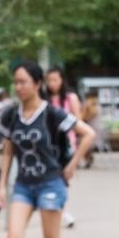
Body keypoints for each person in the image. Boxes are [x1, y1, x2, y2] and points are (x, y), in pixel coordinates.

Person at [0, 61, 95, 238]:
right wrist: (1, 184)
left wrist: (72, 166)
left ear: (37, 84)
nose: (18, 87)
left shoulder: (52, 114)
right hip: (24, 185)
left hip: (51, 182)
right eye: (15, 82)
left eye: (23, 82)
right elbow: (8, 150)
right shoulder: (10, 115)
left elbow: (88, 134)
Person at [45, 67, 80, 227]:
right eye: (49, 80)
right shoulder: (44, 100)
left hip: (67, 144)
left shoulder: (70, 98)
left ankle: (61, 209)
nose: (52, 84)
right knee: (56, 177)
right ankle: (62, 211)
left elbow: (78, 123)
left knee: (64, 177)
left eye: (55, 80)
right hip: (49, 145)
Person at [79, 89, 101, 169]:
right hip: (97, 133)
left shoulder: (90, 106)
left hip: (92, 135)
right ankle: (88, 157)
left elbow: (82, 118)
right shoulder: (97, 105)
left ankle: (85, 158)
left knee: (76, 140)